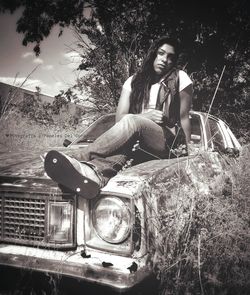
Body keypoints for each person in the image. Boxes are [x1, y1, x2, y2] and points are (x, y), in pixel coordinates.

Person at [44, 36, 193, 199]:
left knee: (132, 121)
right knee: (122, 146)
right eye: (161, 53)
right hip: (136, 141)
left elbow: (184, 118)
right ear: (153, 54)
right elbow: (119, 119)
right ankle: (93, 174)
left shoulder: (180, 78)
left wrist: (186, 153)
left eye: (170, 57)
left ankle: (79, 157)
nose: (165, 60)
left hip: (165, 140)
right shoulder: (133, 81)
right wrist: (145, 116)